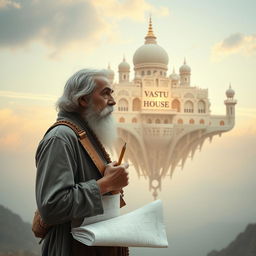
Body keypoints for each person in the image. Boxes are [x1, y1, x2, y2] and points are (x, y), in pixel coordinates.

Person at [35, 69, 129, 256]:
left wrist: (108, 178)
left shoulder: (83, 136)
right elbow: (52, 206)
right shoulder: (60, 138)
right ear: (83, 100)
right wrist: (107, 183)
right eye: (105, 93)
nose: (113, 101)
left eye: (112, 93)